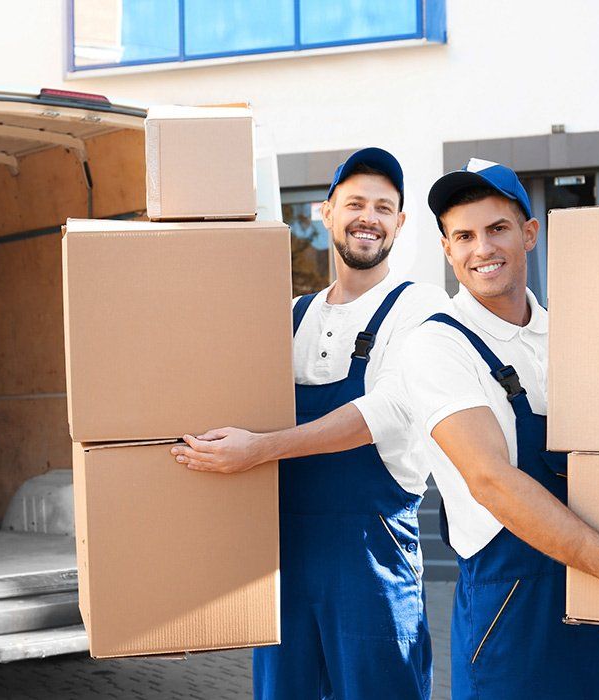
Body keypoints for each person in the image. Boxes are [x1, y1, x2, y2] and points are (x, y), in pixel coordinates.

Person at [399, 158, 599, 699]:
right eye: (464, 236)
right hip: (514, 617)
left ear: (530, 233)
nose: (482, 249)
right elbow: (490, 480)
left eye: (497, 228)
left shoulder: (573, 334)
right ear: (448, 251)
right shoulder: (436, 345)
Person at [171, 147, 447, 699]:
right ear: (326, 213)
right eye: (355, 203)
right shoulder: (293, 316)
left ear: (400, 221)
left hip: (373, 558)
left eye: (383, 206)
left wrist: (260, 449)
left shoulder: (421, 307)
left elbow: (385, 411)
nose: (368, 216)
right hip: (282, 559)